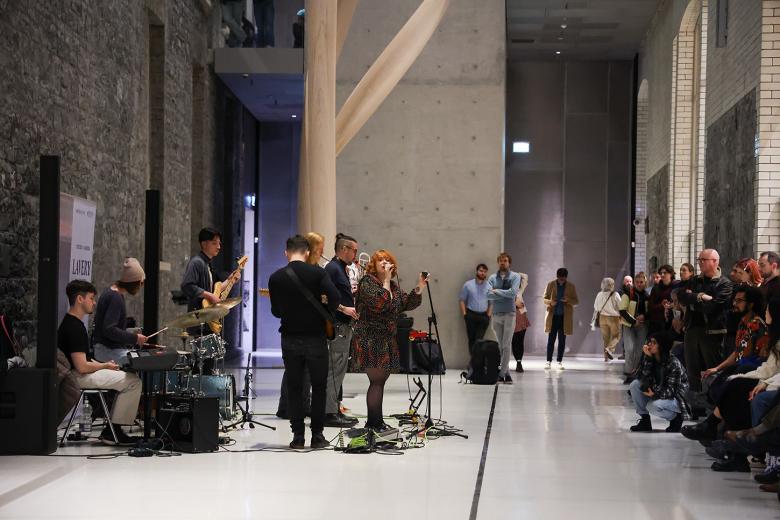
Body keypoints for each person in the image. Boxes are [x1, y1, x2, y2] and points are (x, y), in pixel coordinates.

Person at [268, 235, 340, 449]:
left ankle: (297, 436)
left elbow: (275, 311)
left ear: (286, 253)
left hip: (290, 338)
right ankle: (317, 436)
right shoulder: (318, 273)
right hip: (316, 338)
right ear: (307, 252)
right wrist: (323, 309)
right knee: (318, 387)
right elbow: (335, 298)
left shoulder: (276, 278)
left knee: (295, 386)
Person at [350, 250, 425, 434]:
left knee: (380, 382)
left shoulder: (392, 285)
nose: (385, 262)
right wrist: (385, 281)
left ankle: (377, 422)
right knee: (376, 381)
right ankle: (373, 424)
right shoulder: (368, 283)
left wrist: (420, 287)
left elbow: (405, 303)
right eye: (381, 260)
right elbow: (382, 304)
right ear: (373, 265)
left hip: (385, 339)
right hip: (370, 339)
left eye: (388, 260)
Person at [59, 280, 141, 446]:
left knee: (125, 377)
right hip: (76, 377)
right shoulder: (74, 327)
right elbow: (82, 366)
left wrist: (105, 365)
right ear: (80, 299)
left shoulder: (71, 323)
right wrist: (104, 366)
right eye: (91, 298)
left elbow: (85, 360)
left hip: (77, 373)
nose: (94, 302)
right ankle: (113, 431)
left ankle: (112, 428)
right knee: (133, 382)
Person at [677, 249, 733, 393]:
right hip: (691, 329)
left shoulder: (724, 283)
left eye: (703, 260)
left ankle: (713, 404)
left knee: (712, 368)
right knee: (692, 369)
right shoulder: (695, 280)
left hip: (712, 331)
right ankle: (695, 405)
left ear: (715, 262)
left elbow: (714, 307)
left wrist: (693, 300)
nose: (700, 263)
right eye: (699, 260)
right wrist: (701, 296)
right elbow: (681, 296)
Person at [322, 233, 360, 428]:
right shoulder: (332, 268)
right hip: (338, 326)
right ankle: (329, 413)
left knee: (339, 369)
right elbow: (323, 296)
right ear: (344, 249)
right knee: (335, 370)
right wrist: (344, 308)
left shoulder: (341, 269)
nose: (356, 253)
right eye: (354, 250)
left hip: (343, 326)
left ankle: (334, 408)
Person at [628, 332, 689, 433]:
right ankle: (645, 421)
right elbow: (641, 378)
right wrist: (648, 359)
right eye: (649, 342)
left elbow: (672, 390)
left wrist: (655, 393)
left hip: (677, 398)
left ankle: (676, 419)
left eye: (654, 343)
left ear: (662, 346)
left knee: (652, 406)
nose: (649, 345)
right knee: (635, 385)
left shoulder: (673, 363)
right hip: (660, 391)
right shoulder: (650, 358)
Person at [92, 258, 147, 366]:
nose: (140, 287)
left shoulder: (111, 292)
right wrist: (135, 338)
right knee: (143, 362)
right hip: (106, 350)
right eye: (140, 283)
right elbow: (109, 329)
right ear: (134, 283)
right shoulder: (115, 297)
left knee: (140, 357)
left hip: (105, 348)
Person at [487, 253, 523, 383]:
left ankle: (501, 373)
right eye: (501, 260)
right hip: (496, 314)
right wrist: (503, 294)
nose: (503, 262)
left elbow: (513, 293)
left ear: (509, 263)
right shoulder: (492, 278)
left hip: (509, 314)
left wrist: (496, 291)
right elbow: (488, 295)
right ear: (498, 262)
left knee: (506, 345)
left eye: (506, 260)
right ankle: (506, 373)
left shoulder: (515, 276)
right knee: (500, 345)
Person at [543, 268, 578, 370]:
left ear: (566, 277)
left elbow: (576, 301)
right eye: (560, 278)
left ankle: (559, 361)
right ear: (557, 276)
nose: (561, 280)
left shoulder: (571, 286)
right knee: (551, 340)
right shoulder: (550, 284)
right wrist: (550, 302)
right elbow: (544, 299)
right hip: (553, 316)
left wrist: (568, 300)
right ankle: (548, 361)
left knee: (562, 341)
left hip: (564, 317)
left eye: (563, 278)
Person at [181, 227, 223, 313]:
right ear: (204, 244)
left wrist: (231, 279)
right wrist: (210, 296)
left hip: (206, 315)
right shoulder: (197, 262)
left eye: (219, 243)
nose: (218, 247)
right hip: (198, 316)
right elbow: (187, 285)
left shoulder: (208, 264)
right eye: (214, 243)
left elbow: (216, 289)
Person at [620, 272, 649, 383]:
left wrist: (644, 316)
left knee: (639, 350)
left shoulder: (647, 295)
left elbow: (649, 311)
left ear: (645, 282)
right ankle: (628, 373)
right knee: (629, 348)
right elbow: (622, 310)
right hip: (629, 325)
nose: (639, 284)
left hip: (642, 325)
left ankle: (636, 373)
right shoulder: (628, 293)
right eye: (637, 282)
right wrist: (633, 321)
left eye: (641, 282)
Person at [459, 264, 492, 357]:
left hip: (483, 317)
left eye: (485, 272)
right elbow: (462, 300)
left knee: (479, 340)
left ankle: (476, 363)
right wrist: (465, 315)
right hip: (470, 315)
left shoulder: (489, 287)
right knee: (471, 339)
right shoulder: (468, 285)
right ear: (477, 271)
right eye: (481, 271)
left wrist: (488, 316)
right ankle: (473, 363)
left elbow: (492, 303)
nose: (483, 273)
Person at [593, 277, 622, 362]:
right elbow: (620, 306)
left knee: (605, 338)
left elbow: (596, 307)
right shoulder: (615, 294)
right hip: (614, 318)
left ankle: (606, 357)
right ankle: (609, 349)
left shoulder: (599, 294)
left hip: (602, 318)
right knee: (616, 336)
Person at [647, 264, 675, 334]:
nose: (662, 275)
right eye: (661, 273)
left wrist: (671, 305)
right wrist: (661, 305)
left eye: (665, 273)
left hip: (672, 322)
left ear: (671, 274)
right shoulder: (656, 288)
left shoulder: (675, 286)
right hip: (657, 322)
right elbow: (650, 307)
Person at [512, 283, 531, 373]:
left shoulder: (519, 291)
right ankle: (518, 362)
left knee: (520, 341)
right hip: (512, 317)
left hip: (522, 316)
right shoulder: (507, 291)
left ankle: (519, 362)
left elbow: (525, 278)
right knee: (514, 341)